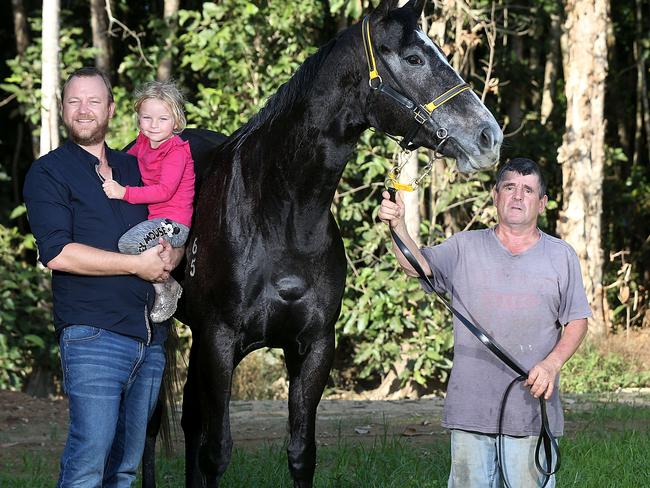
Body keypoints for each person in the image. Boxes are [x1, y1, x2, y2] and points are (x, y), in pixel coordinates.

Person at [378, 157, 591, 488]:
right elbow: (414, 266)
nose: (517, 196)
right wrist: (398, 225)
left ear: (543, 203)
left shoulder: (561, 256)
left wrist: (551, 365)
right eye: (509, 187)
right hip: (471, 409)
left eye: (528, 190)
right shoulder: (464, 247)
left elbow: (577, 319)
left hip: (530, 412)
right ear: (495, 196)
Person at [23, 67, 183, 487]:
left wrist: (172, 251)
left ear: (111, 110)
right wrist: (135, 264)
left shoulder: (136, 168)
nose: (84, 109)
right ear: (62, 109)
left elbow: (171, 220)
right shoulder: (49, 173)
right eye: (74, 100)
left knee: (124, 470)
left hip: (148, 339)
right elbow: (57, 253)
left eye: (94, 101)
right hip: (93, 337)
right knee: (88, 463)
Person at [102, 80, 194, 323]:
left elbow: (164, 191)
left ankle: (166, 285)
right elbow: (124, 163)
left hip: (173, 224)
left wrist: (124, 193)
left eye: (162, 119)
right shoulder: (143, 142)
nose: (153, 125)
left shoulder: (176, 151)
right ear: (139, 117)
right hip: (155, 221)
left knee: (129, 245)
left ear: (176, 121)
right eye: (147, 118)